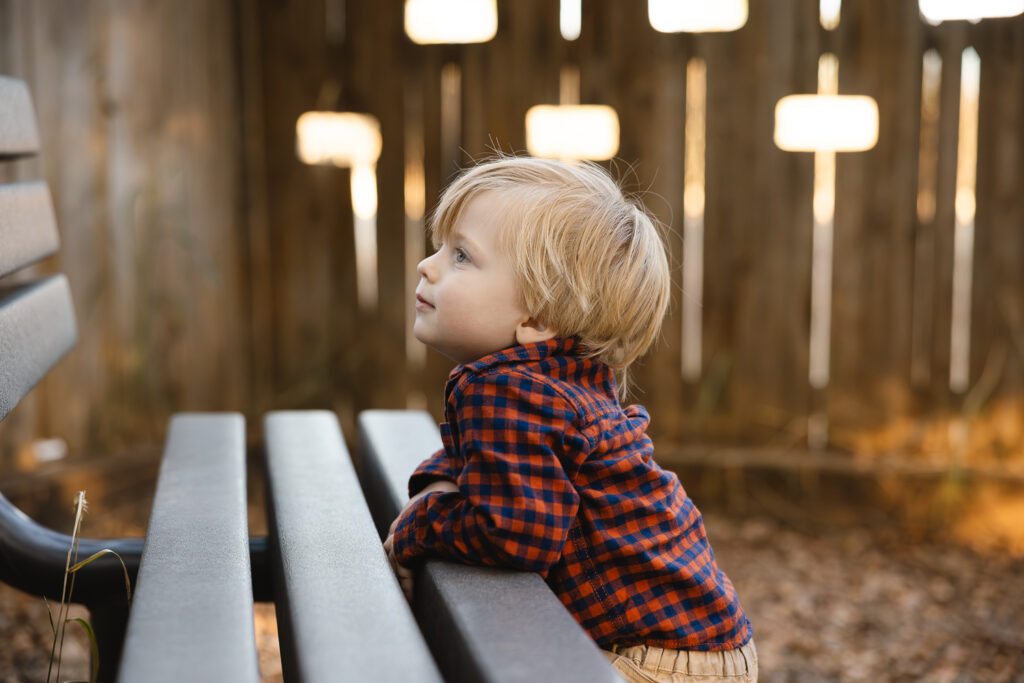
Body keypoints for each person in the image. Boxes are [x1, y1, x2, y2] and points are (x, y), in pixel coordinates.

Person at [383, 155, 756, 682]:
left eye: (462, 256)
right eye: (442, 246)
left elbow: (514, 533)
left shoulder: (504, 389)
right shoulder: (557, 378)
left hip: (651, 659)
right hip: (706, 642)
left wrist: (418, 526)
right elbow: (478, 455)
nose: (429, 265)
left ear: (536, 318)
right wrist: (440, 481)